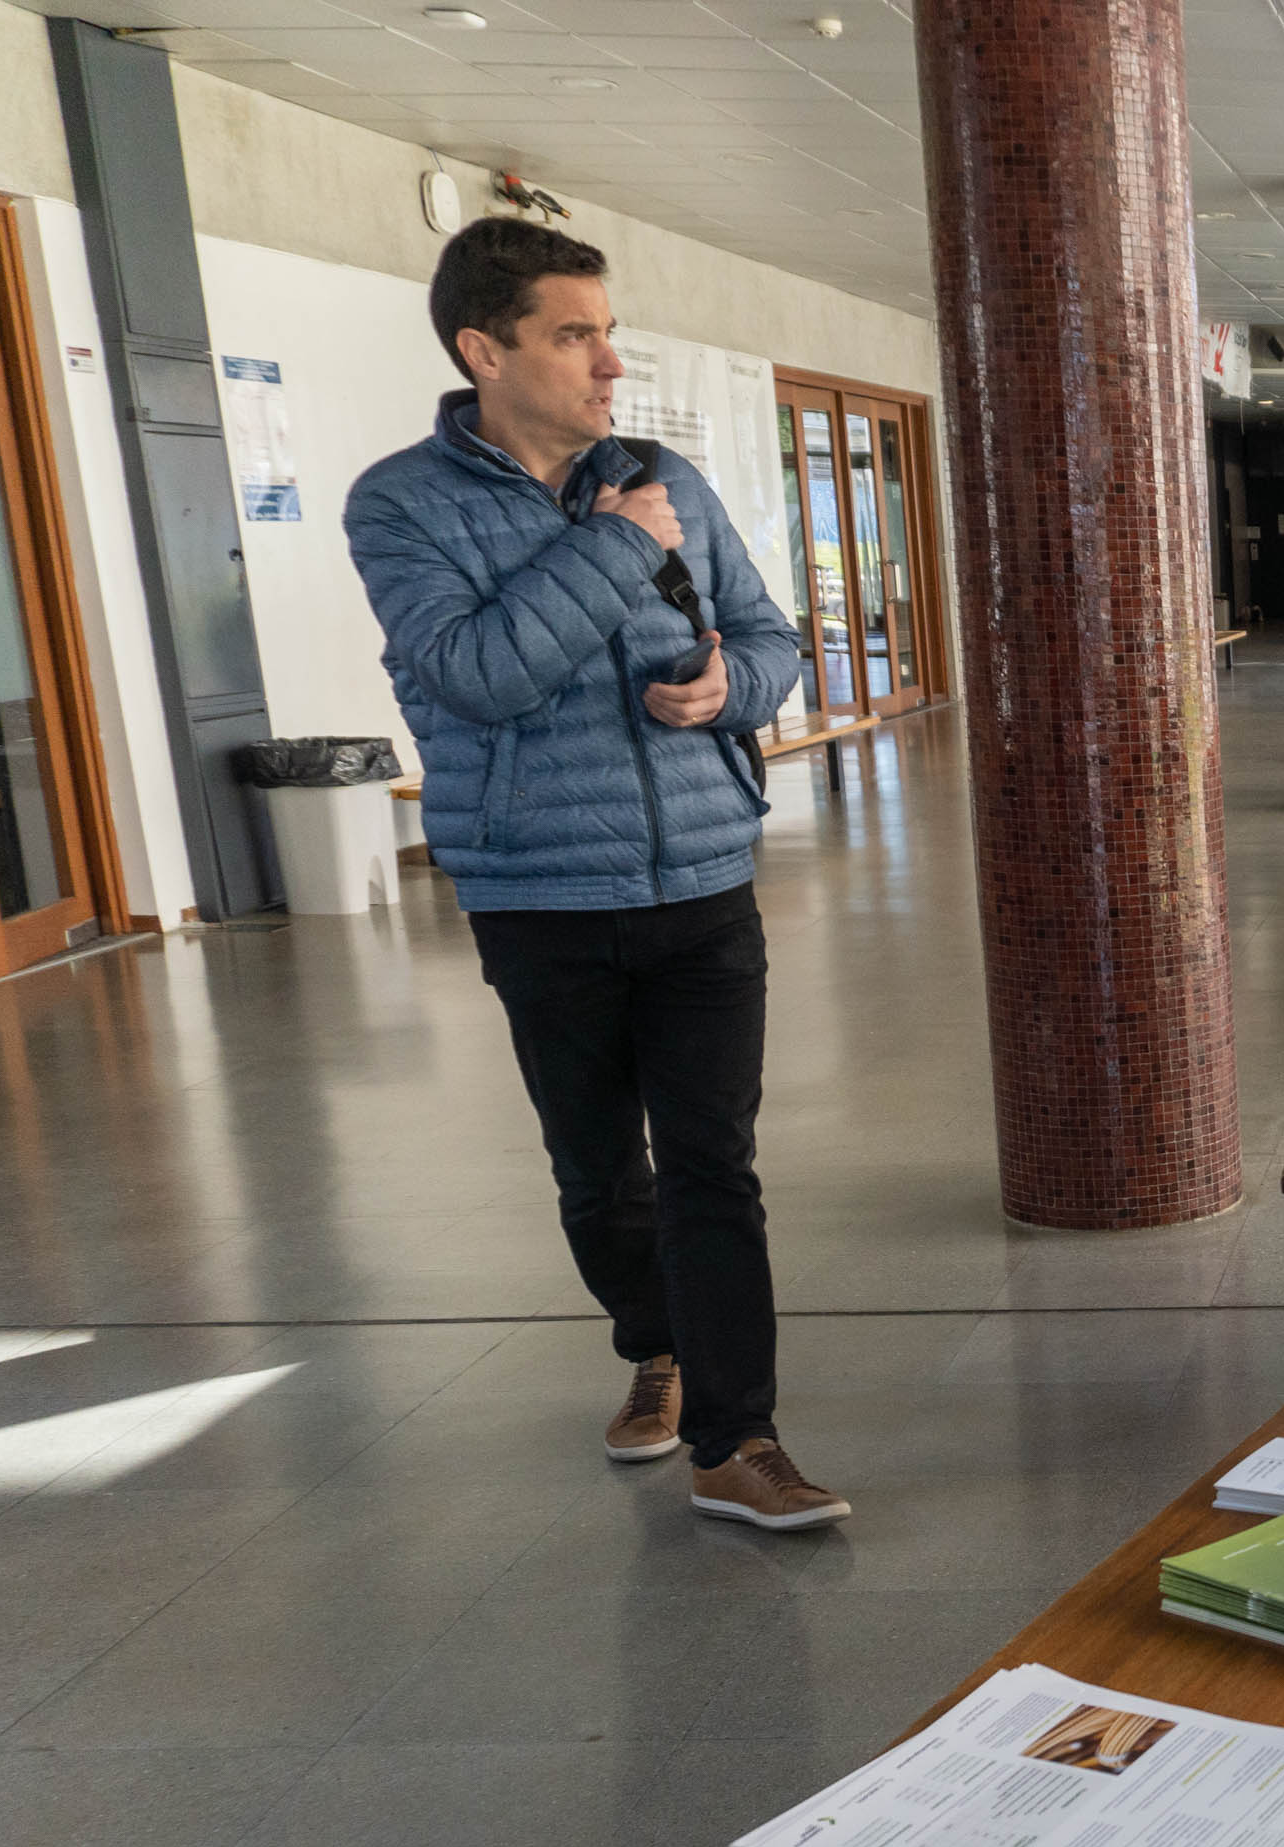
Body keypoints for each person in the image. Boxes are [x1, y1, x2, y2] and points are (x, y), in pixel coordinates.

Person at [344, 217, 847, 1531]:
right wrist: (618, 546)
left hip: (701, 880)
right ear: (483, 350)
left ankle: (738, 1440)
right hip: (538, 894)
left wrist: (738, 689)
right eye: (575, 336)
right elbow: (477, 675)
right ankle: (654, 1342)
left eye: (608, 332)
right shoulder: (401, 504)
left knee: (712, 1164)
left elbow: (771, 637)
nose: (610, 363)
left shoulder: (665, 477)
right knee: (598, 1175)